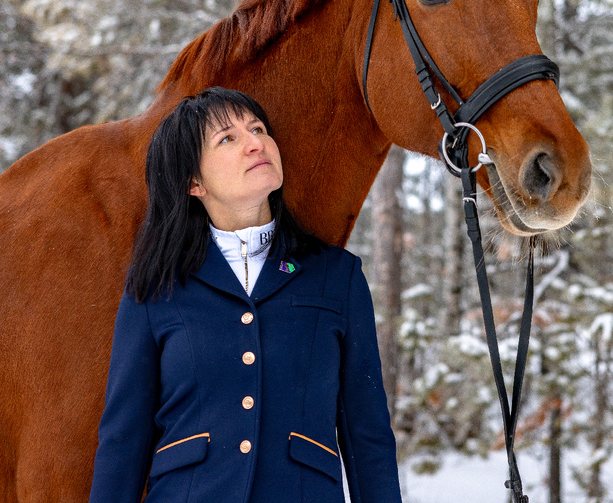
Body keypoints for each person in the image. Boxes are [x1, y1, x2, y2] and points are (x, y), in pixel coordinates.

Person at [88, 87, 402, 503]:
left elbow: (368, 435)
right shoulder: (155, 287)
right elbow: (123, 439)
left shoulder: (337, 276)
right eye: (227, 139)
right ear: (193, 182)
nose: (255, 143)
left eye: (258, 129)